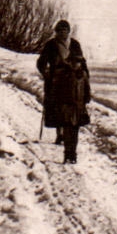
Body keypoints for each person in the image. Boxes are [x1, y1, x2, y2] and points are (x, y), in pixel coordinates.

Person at [36, 19, 90, 163]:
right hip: (56, 82)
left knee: (71, 123)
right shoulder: (51, 45)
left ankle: (70, 150)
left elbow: (83, 65)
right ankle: (60, 135)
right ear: (56, 32)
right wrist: (46, 73)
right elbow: (41, 63)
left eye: (65, 30)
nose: (63, 33)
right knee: (59, 112)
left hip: (74, 86)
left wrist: (86, 86)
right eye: (60, 31)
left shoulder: (75, 45)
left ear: (68, 31)